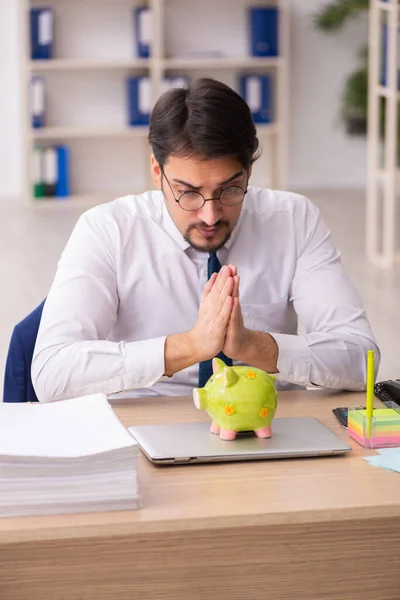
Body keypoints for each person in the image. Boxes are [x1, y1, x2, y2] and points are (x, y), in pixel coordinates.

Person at [32, 78, 380, 403]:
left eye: (229, 189)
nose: (210, 216)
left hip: (262, 423)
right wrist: (186, 347)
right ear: (158, 172)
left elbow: (361, 358)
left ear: (249, 173)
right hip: (143, 424)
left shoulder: (293, 219)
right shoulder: (107, 230)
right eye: (188, 193)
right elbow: (51, 373)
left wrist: (256, 346)